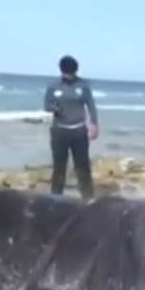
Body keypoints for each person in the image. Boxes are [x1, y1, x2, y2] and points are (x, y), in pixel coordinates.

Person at [43, 55, 98, 200]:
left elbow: (91, 105)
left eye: (71, 73)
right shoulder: (53, 86)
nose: (68, 76)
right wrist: (54, 108)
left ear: (75, 71)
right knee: (59, 167)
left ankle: (88, 199)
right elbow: (46, 105)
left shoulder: (83, 86)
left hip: (79, 132)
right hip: (59, 132)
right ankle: (55, 199)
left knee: (82, 167)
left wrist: (94, 124)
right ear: (61, 71)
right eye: (65, 73)